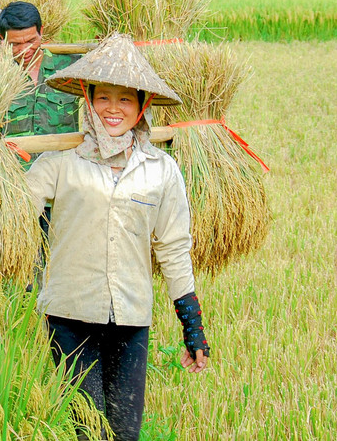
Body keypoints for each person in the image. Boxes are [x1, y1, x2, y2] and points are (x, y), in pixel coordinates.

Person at [25, 34, 210, 441]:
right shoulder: (58, 164)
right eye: (103, 97)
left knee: (126, 433)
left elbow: (175, 248)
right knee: (89, 431)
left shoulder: (161, 170)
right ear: (87, 100)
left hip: (130, 318)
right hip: (70, 316)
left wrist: (191, 325)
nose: (113, 109)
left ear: (142, 106)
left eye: (125, 99)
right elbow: (16, 209)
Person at [0, 1, 80, 143]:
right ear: (1, 39)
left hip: (61, 162)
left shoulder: (71, 67)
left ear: (41, 31)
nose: (24, 50)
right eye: (15, 44)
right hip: (16, 164)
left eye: (31, 41)